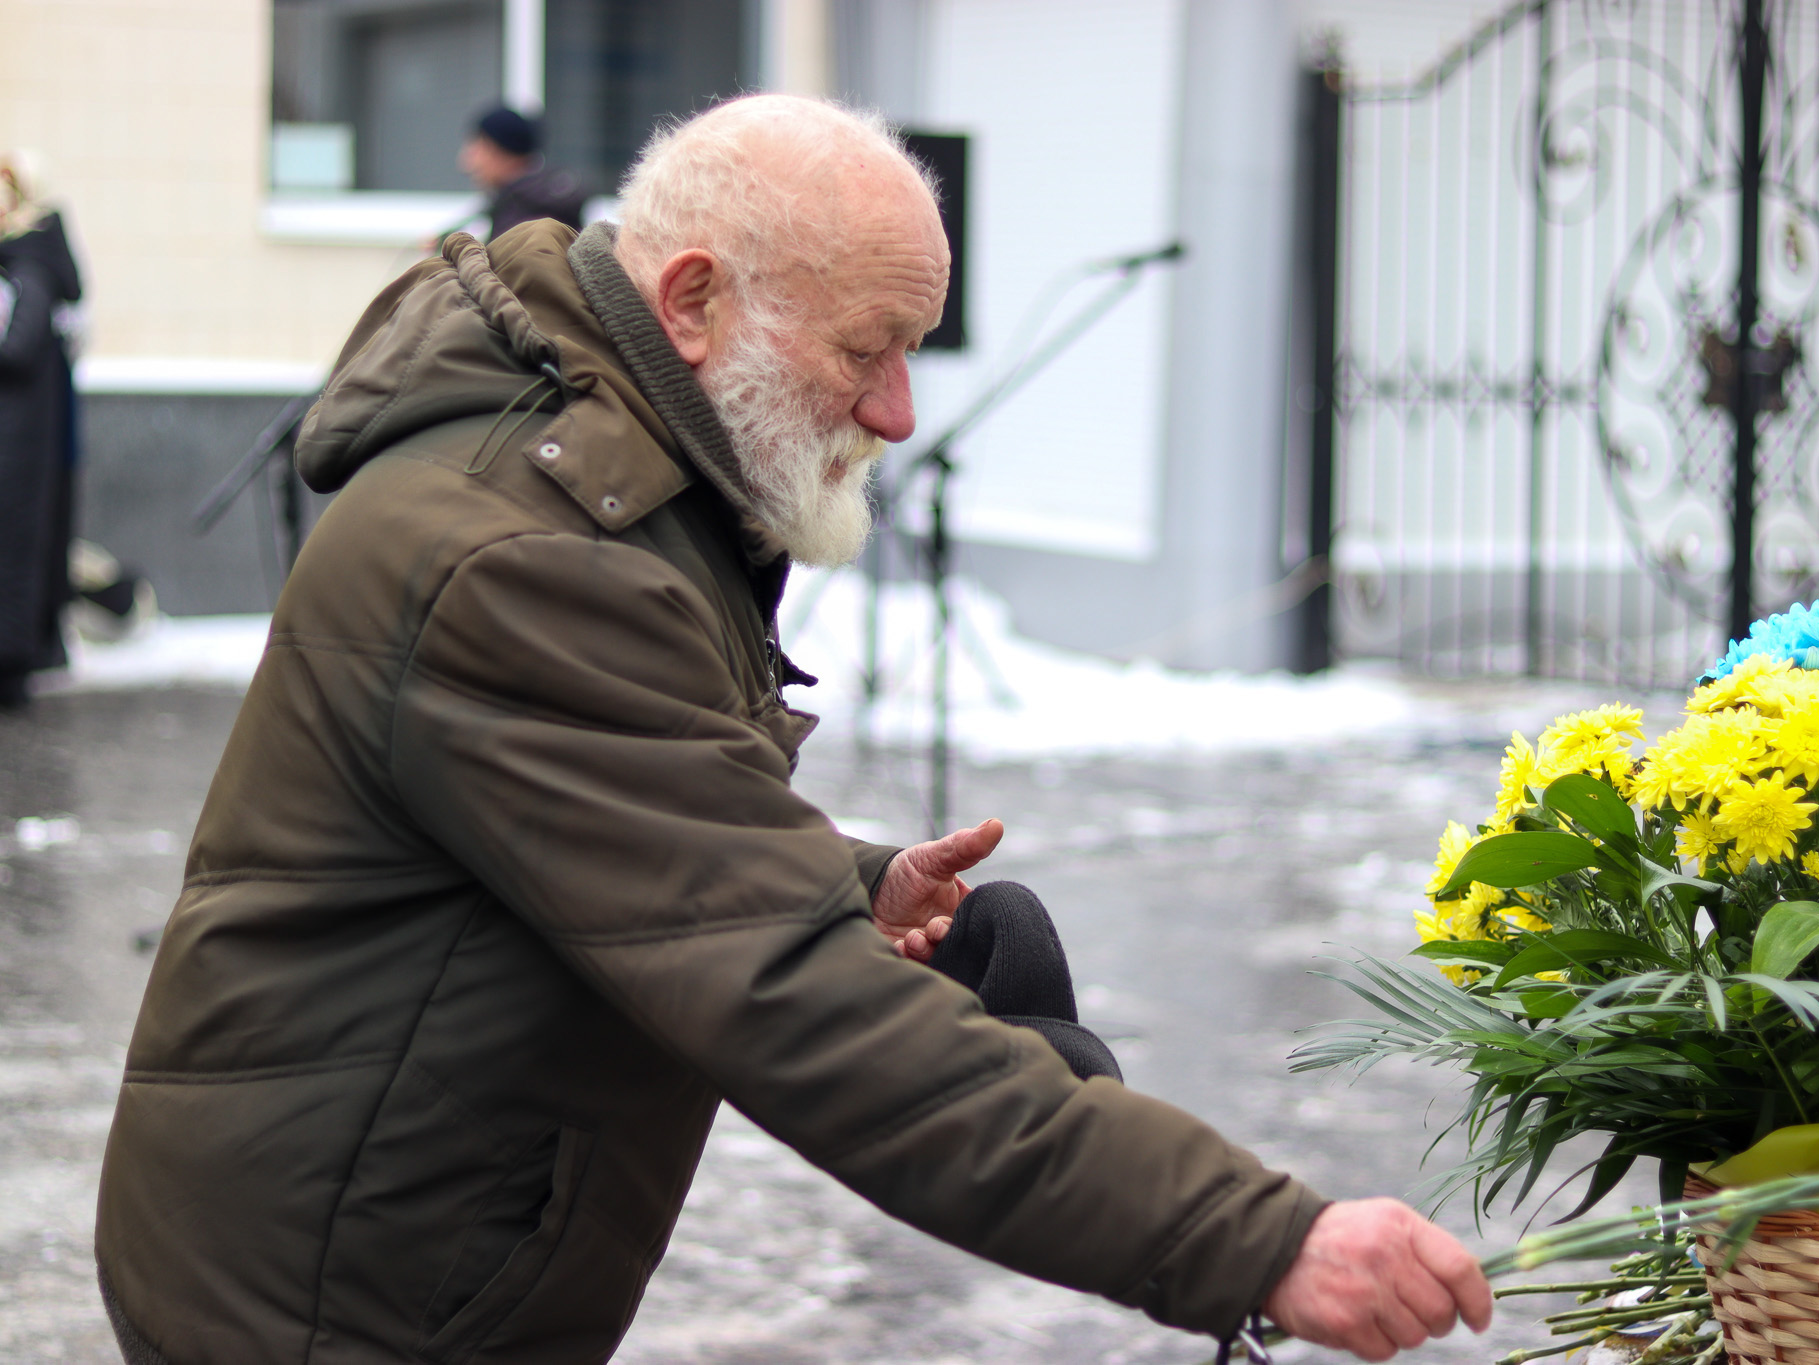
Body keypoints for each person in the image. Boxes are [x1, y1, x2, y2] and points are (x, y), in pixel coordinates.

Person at [94, 95, 1492, 1364]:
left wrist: (836, 877)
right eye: (866, 351)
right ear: (693, 300)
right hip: (328, 1303)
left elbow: (612, 822)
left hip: (378, 1252)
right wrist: (1261, 1239)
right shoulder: (525, 557)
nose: (895, 411)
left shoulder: (598, 468)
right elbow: (790, 995)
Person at [0, 152, 84, 710]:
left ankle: (12, 666)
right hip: (23, 437)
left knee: (16, 549)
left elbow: (18, 348)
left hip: (20, 441)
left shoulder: (29, 262)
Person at [461, 105, 587, 241]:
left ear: (502, 151)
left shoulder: (522, 222)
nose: (466, 164)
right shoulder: (531, 204)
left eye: (477, 148)